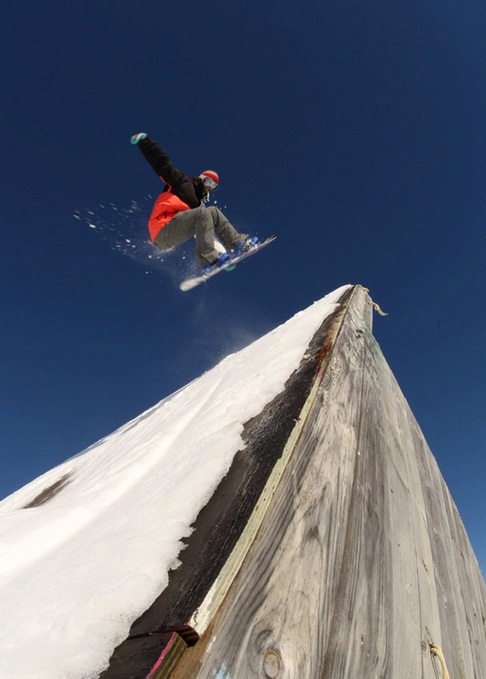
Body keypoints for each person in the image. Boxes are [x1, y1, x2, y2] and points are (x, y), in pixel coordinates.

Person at [130, 133, 259, 272]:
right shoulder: (182, 182)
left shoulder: (197, 206)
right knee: (203, 212)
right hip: (162, 229)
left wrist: (223, 257)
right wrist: (145, 142)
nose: (209, 187)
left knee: (213, 212)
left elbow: (205, 234)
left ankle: (237, 244)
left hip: (176, 230)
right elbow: (162, 164)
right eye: (209, 182)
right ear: (201, 178)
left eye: (214, 186)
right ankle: (209, 260)